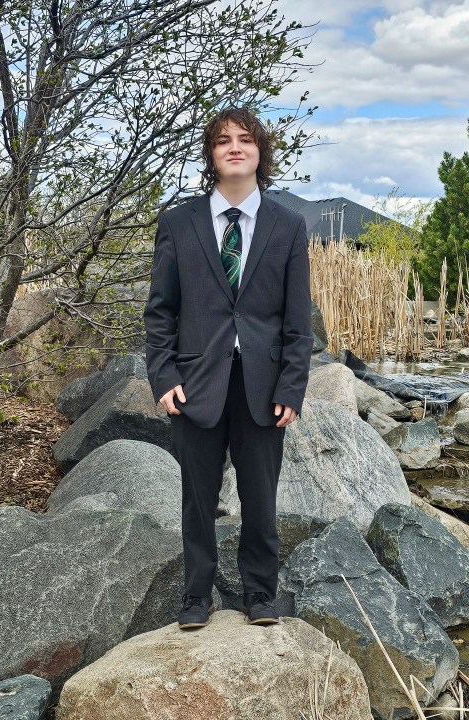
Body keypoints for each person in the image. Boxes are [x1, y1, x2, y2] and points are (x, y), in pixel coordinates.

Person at [143, 106, 313, 629]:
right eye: (222, 141)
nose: (234, 147)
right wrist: (164, 377)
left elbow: (296, 318)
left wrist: (292, 385)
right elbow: (160, 311)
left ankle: (260, 595)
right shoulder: (178, 222)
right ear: (211, 155)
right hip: (196, 382)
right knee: (197, 498)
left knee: (260, 498)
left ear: (260, 153)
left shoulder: (287, 225)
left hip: (262, 385)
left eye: (245, 139)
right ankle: (196, 597)